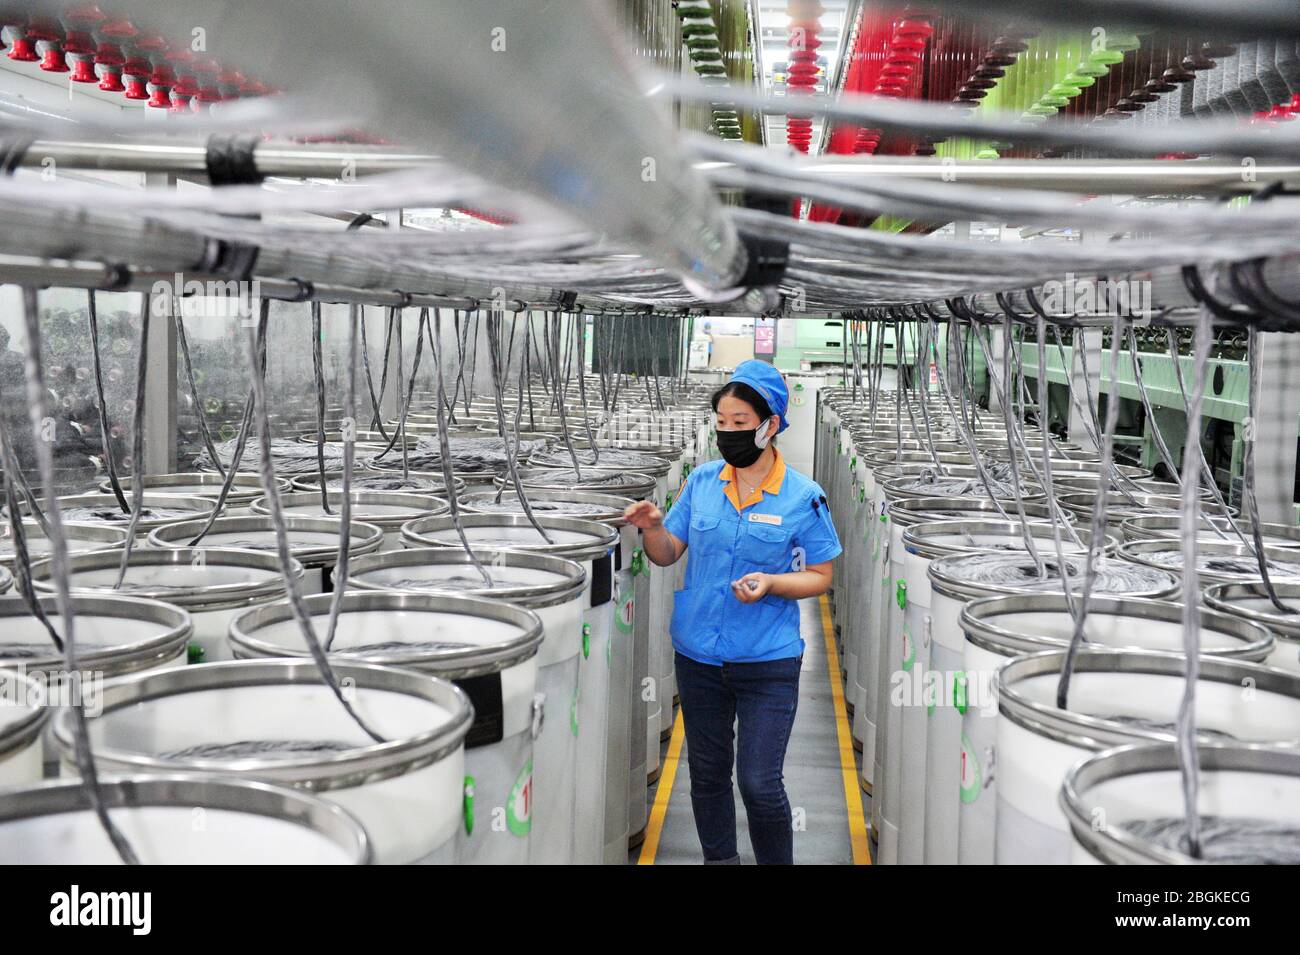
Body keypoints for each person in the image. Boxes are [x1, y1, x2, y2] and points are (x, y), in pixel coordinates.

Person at [623, 360, 842, 864]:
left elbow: (821, 576)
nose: (728, 432)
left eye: (740, 423)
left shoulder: (802, 497)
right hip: (699, 657)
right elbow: (667, 553)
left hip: (767, 660)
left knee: (760, 783)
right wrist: (652, 526)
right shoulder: (702, 482)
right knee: (707, 775)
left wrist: (773, 582)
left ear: (771, 424)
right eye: (722, 421)